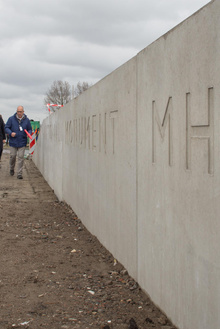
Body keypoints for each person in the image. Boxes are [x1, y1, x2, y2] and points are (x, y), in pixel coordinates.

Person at [5, 106, 32, 179]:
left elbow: (30, 129)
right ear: (16, 112)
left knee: (21, 157)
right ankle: (11, 168)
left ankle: (19, 173)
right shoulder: (11, 119)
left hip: (22, 141)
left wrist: (28, 133)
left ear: (23, 112)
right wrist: (10, 133)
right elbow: (6, 128)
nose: (19, 113)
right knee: (12, 156)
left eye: (20, 112)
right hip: (13, 141)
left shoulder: (26, 120)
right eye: (18, 111)